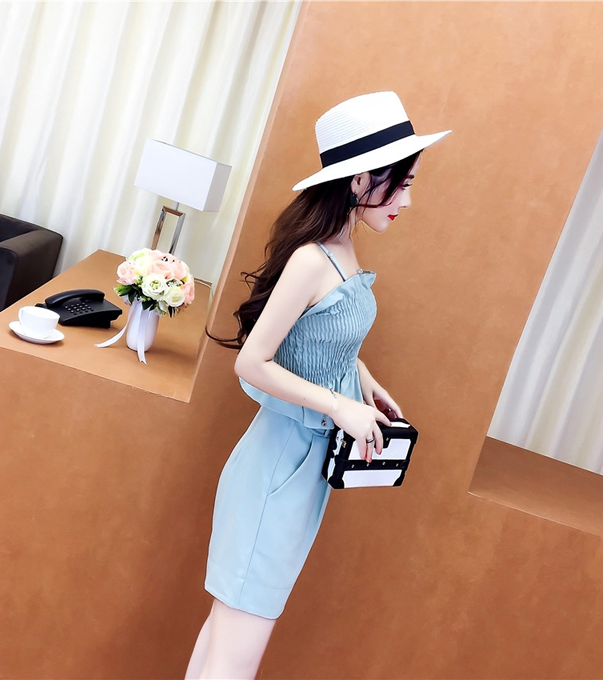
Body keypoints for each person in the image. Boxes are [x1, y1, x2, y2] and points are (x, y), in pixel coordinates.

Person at [185, 91, 451, 679]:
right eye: (401, 184)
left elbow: (323, 338)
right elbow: (252, 363)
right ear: (359, 181)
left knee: (223, 640)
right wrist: (339, 406)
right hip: (277, 467)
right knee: (233, 655)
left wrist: (365, 383)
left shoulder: (343, 249)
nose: (408, 200)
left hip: (297, 469)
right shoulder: (312, 259)